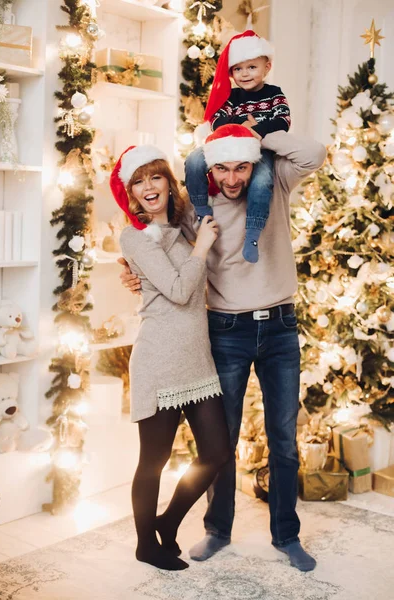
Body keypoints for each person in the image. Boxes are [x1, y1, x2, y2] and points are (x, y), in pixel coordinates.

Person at [121, 124, 326, 573]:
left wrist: (259, 137)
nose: (233, 178)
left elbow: (313, 153)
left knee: (283, 440)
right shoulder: (196, 211)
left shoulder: (273, 184)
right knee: (222, 443)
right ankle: (217, 530)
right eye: (222, 167)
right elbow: (164, 264)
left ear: (252, 163)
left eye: (241, 166)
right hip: (224, 329)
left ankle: (286, 536)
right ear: (208, 168)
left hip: (279, 326)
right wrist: (133, 270)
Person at [110, 144, 230, 572]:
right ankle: (146, 543)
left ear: (168, 181)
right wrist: (203, 248)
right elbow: (180, 292)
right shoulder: (134, 237)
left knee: (217, 452)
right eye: (138, 182)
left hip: (197, 358)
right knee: (153, 461)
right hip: (159, 359)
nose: (148, 188)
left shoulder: (183, 226)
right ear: (132, 193)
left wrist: (198, 243)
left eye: (154, 177)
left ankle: (168, 520)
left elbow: (191, 283)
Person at [185, 30, 291, 264]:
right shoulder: (231, 97)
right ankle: (202, 210)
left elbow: (282, 121)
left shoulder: (274, 94)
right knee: (193, 160)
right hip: (227, 146)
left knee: (263, 181)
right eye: (238, 69)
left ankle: (252, 233)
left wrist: (258, 130)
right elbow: (216, 120)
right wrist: (243, 126)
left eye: (252, 67)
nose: (245, 74)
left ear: (267, 67)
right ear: (231, 72)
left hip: (258, 150)